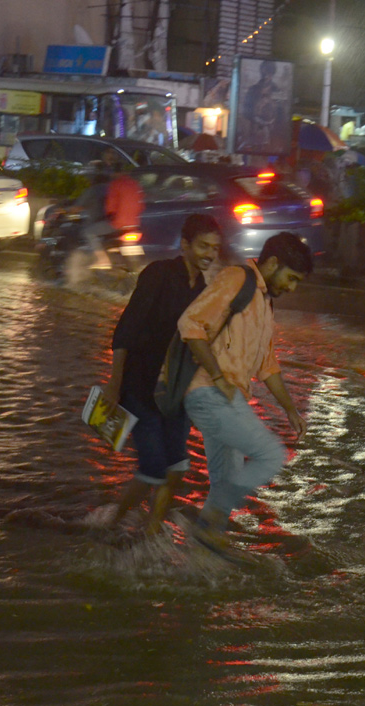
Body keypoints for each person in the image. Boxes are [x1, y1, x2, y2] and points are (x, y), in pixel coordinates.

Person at [176, 231, 312, 555]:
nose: (292, 288)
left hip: (227, 398)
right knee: (271, 455)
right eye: (291, 279)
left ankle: (199, 557)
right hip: (209, 393)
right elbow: (190, 324)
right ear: (273, 263)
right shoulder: (237, 279)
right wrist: (219, 376)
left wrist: (290, 410)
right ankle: (206, 526)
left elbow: (266, 364)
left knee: (228, 480)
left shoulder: (265, 303)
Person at [102, 214, 224, 536]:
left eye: (214, 248)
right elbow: (126, 329)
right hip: (140, 388)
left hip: (175, 393)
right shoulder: (158, 275)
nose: (209, 254)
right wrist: (115, 385)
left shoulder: (203, 289)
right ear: (185, 245)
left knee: (177, 468)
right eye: (203, 246)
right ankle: (111, 524)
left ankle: (151, 533)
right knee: (152, 470)